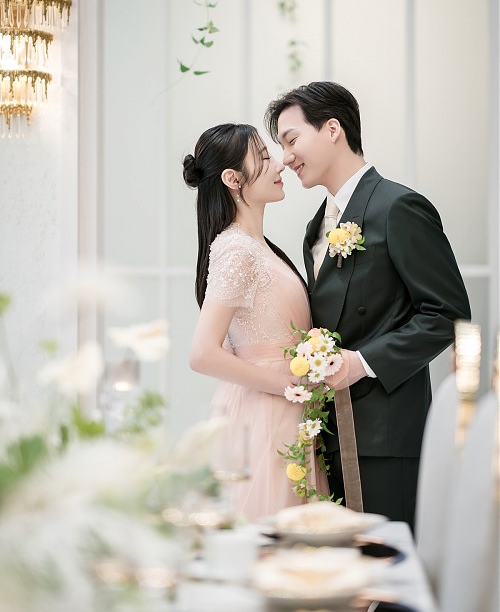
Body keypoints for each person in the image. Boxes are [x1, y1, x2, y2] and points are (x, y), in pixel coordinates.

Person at [264, 82, 471, 529]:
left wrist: (360, 363)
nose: (286, 158)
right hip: (330, 436)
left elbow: (448, 314)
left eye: (291, 140)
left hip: (387, 438)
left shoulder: (399, 207)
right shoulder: (315, 227)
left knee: (385, 564)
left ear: (332, 129)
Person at [183, 123, 328, 521]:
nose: (279, 163)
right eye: (264, 157)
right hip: (264, 411)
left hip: (285, 409)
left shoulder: (259, 247)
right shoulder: (235, 250)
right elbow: (202, 354)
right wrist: (288, 386)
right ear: (233, 179)